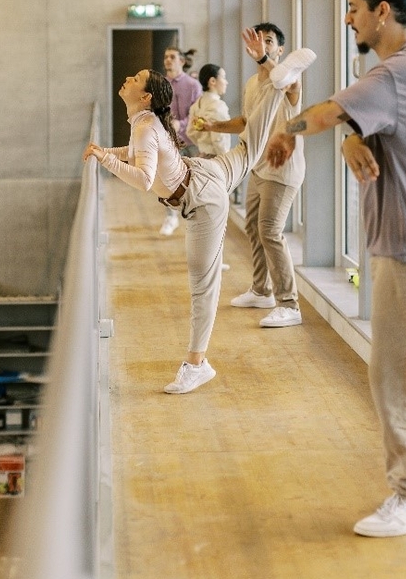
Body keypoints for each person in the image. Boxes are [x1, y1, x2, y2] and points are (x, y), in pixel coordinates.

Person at [265, 0, 406, 538]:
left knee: (393, 374)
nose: (349, 16)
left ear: (383, 11)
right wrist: (354, 137)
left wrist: (289, 129)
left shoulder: (399, 70)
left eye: (355, 7)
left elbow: (328, 110)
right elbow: (359, 120)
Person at [85, 32, 316, 394]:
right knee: (250, 144)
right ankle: (278, 85)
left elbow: (144, 179)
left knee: (202, 286)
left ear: (144, 96)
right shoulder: (144, 121)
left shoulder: (144, 124)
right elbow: (140, 152)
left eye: (135, 79)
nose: (127, 79)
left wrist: (106, 160)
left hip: (202, 197)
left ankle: (197, 363)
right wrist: (107, 151)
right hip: (203, 173)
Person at [199, 23, 306, 329]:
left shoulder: (289, 79)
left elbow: (286, 84)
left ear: (279, 49)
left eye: (269, 41)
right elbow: (247, 121)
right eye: (259, 41)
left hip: (283, 170)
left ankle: (290, 304)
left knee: (270, 230)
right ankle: (262, 290)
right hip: (258, 167)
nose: (264, 45)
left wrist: (263, 60)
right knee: (253, 227)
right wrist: (213, 127)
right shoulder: (250, 84)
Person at [159, 46, 203, 237]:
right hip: (170, 142)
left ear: (181, 61)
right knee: (166, 179)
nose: (168, 60)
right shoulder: (161, 85)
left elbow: (198, 113)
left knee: (197, 180)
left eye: (172, 57)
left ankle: (198, 219)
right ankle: (170, 216)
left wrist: (181, 124)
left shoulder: (193, 85)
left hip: (191, 140)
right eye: (166, 57)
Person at [188, 64, 231, 157]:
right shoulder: (218, 106)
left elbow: (190, 132)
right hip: (217, 157)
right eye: (223, 78)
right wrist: (226, 158)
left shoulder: (196, 105)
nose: (226, 82)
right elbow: (218, 138)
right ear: (213, 81)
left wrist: (203, 146)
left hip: (202, 155)